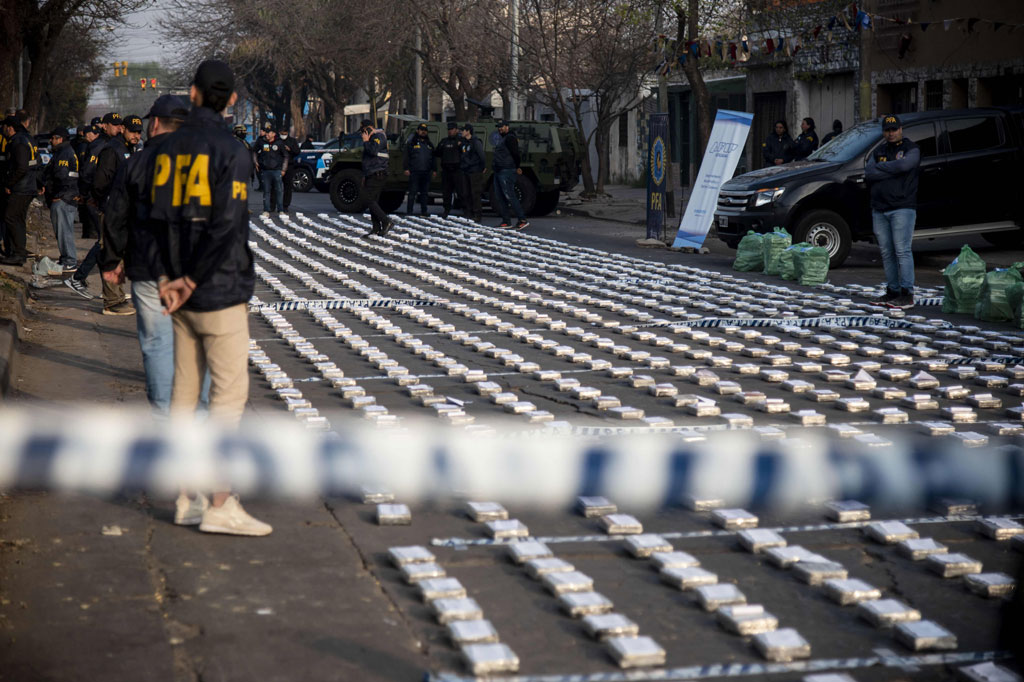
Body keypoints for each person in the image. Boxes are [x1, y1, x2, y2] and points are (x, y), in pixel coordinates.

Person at [150, 58, 272, 536]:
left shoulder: (167, 147)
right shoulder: (232, 150)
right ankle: (220, 502)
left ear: (194, 93)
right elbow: (226, 227)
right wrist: (194, 280)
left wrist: (167, 277)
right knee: (227, 398)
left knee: (183, 395)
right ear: (233, 101)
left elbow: (156, 216)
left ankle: (186, 496)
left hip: (177, 290)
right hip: (216, 288)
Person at [100, 94, 209, 417]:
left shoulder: (136, 164)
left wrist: (112, 262)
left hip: (151, 269)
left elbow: (116, 215)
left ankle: (165, 422)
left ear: (155, 124)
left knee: (159, 347)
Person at [65, 114, 141, 315]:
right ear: (123, 129)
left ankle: (116, 295)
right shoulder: (112, 149)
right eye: (133, 131)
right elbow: (100, 182)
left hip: (123, 209)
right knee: (109, 251)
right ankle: (112, 302)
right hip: (112, 209)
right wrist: (102, 202)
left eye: (139, 132)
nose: (137, 136)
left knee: (118, 253)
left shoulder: (127, 149)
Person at [865, 114, 921, 310]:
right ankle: (893, 290)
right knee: (887, 252)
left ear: (901, 129)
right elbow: (869, 172)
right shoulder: (879, 150)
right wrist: (892, 169)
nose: (891, 133)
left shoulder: (911, 148)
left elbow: (905, 164)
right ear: (883, 132)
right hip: (880, 208)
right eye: (887, 130)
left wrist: (883, 168)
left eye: (894, 129)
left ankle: (907, 293)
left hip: (902, 207)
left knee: (902, 250)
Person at [2, 110, 41, 265]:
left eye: (4, 127)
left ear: (10, 128)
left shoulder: (17, 142)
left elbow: (21, 167)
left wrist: (9, 184)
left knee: (11, 217)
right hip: (28, 186)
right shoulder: (27, 139)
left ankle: (18, 254)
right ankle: (18, 252)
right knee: (18, 219)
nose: (3, 130)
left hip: (22, 188)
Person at [41, 127, 80, 273]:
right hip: (65, 196)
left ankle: (70, 260)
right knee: (62, 230)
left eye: (53, 138)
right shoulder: (63, 152)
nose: (51, 141)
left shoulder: (64, 153)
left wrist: (58, 195)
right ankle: (66, 258)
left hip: (63, 197)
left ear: (60, 139)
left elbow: (61, 176)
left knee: (64, 230)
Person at [490, 118, 529, 230]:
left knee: (510, 195)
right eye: (499, 127)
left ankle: (522, 219)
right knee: (500, 196)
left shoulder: (510, 138)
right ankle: (506, 221)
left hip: (507, 170)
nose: (500, 129)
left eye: (502, 126)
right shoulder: (503, 139)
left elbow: (516, 154)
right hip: (499, 170)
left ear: (507, 126)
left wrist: (517, 167)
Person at [358, 118, 393, 238]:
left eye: (363, 130)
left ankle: (386, 221)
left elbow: (373, 151)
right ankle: (376, 228)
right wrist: (364, 175)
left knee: (368, 199)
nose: (362, 133)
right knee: (372, 200)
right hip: (371, 173)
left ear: (368, 128)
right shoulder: (373, 137)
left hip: (378, 173)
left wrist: (366, 141)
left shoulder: (378, 136)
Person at [403, 123, 435, 216]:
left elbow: (433, 158)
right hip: (415, 171)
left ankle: (424, 211)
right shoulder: (412, 143)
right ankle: (409, 211)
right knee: (412, 192)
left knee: (424, 194)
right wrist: (406, 168)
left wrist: (434, 169)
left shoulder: (429, 144)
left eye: (425, 130)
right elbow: (406, 156)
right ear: (417, 131)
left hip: (426, 172)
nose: (423, 132)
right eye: (421, 130)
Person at [75, 123, 100, 238]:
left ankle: (92, 234)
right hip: (91, 184)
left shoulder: (94, 147)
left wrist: (83, 190)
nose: (87, 136)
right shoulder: (89, 146)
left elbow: (87, 170)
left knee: (90, 211)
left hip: (91, 184)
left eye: (89, 134)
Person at [253, 127, 286, 215]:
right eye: (266, 133)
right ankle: (266, 209)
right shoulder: (261, 141)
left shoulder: (279, 142)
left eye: (269, 133)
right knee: (266, 191)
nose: (267, 134)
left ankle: (280, 209)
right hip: (265, 170)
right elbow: (254, 151)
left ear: (274, 134)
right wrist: (255, 161)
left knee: (279, 190)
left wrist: (283, 169)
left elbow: (286, 156)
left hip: (277, 170)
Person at [434, 121, 461, 219]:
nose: (450, 131)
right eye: (449, 130)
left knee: (461, 191)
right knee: (446, 192)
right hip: (446, 170)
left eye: (452, 129)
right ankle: (446, 210)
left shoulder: (460, 141)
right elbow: (437, 153)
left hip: (457, 170)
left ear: (456, 130)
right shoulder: (444, 141)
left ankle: (466, 210)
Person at [459, 123, 484, 223]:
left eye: (463, 130)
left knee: (475, 193)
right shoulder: (464, 143)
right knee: (466, 193)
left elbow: (481, 156)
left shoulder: (476, 142)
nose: (462, 132)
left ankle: (477, 214)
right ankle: (469, 213)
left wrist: (481, 168)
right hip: (465, 170)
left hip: (474, 171)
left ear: (468, 131)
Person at [278, 125, 300, 212]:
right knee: (276, 186)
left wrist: (290, 149)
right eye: (282, 133)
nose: (283, 135)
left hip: (289, 166)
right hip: (278, 166)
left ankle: (285, 205)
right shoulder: (277, 140)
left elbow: (297, 151)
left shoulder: (292, 141)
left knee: (288, 186)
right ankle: (274, 204)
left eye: (285, 133)